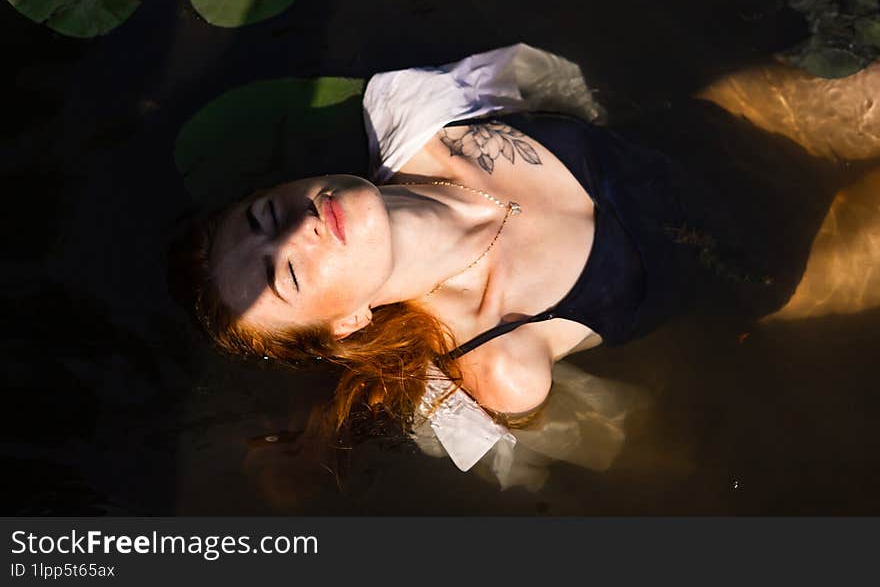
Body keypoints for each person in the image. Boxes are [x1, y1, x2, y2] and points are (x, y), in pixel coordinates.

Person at [178, 44, 880, 477]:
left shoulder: (418, 109)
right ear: (348, 320)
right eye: (289, 274)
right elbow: (617, 442)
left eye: (267, 214)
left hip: (733, 126)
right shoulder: (501, 363)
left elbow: (559, 82)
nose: (297, 229)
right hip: (784, 269)